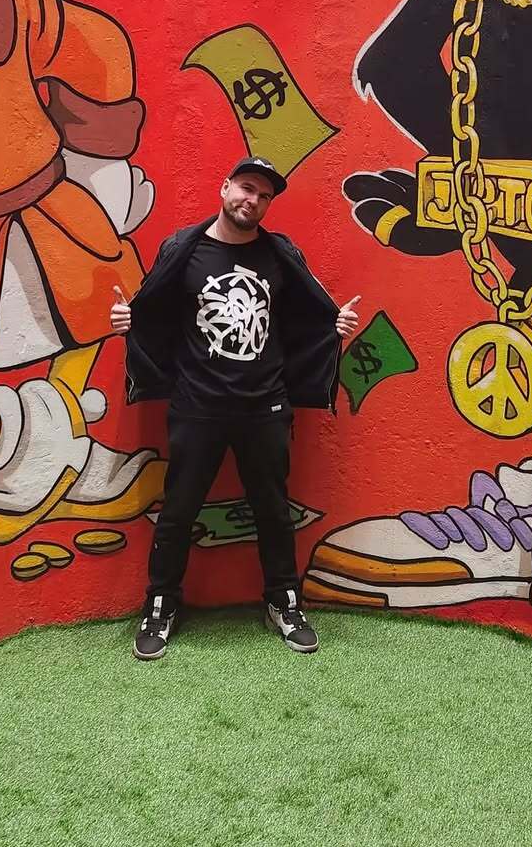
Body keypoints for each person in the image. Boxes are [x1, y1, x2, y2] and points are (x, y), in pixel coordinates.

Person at [111, 155, 360, 660]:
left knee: (273, 509)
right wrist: (127, 321)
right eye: (247, 188)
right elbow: (154, 312)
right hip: (196, 405)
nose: (253, 200)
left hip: (265, 405)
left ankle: (284, 601)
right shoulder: (184, 249)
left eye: (264, 196)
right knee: (178, 510)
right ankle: (160, 604)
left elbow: (301, 319)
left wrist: (330, 328)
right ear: (225, 188)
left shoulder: (279, 254)